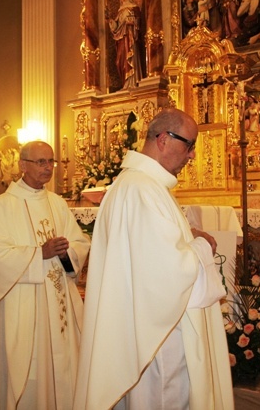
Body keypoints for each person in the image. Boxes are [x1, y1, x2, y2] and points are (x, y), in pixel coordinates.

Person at [73, 108, 234, 409]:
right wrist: (199, 245)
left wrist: (188, 234)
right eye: (189, 146)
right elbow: (166, 272)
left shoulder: (140, 185)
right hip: (160, 338)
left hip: (148, 328)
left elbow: (153, 248)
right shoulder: (141, 189)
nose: (191, 156)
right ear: (163, 139)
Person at [0, 141, 91, 409]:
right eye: (41, 162)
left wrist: (67, 253)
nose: (48, 168)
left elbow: (80, 242)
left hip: (58, 303)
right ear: (23, 165)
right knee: (28, 367)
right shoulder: (3, 206)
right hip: (22, 304)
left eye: (51, 162)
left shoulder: (57, 203)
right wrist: (39, 254)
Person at [107, 0, 143, 89]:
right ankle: (125, 83)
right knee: (119, 61)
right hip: (121, 39)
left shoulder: (134, 8)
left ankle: (132, 82)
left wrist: (133, 22)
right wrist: (110, 21)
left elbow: (138, 22)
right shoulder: (119, 11)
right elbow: (116, 27)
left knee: (129, 56)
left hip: (129, 36)